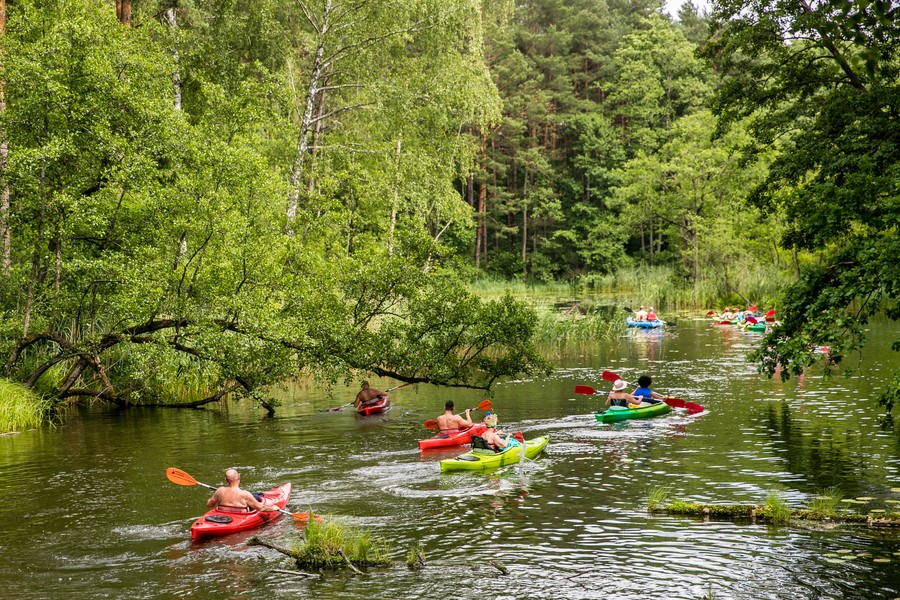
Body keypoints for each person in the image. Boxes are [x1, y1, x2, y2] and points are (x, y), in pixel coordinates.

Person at [206, 468, 277, 513]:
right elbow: (261, 508)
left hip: (223, 515)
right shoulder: (245, 494)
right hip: (240, 517)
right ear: (239, 477)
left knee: (255, 496)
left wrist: (217, 495)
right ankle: (260, 495)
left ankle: (258, 495)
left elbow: (209, 505)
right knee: (255, 497)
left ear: (225, 480)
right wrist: (273, 508)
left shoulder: (220, 490)